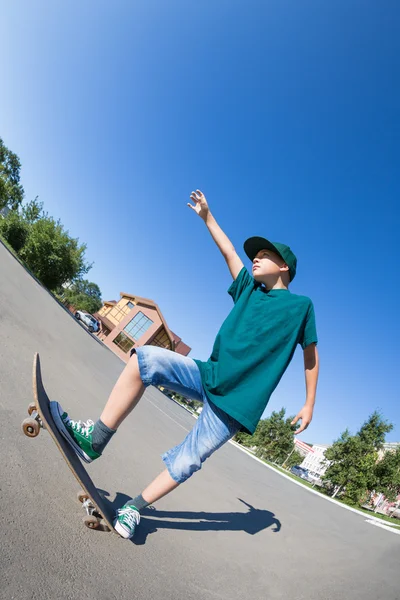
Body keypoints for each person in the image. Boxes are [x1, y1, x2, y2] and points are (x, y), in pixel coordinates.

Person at [50, 189, 319, 539]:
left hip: (237, 405)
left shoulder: (301, 307)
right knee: (145, 361)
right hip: (209, 374)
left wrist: (309, 403)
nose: (254, 259)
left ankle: (134, 508)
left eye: (264, 256)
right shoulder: (248, 290)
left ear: (283, 267)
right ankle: (94, 441)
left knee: (188, 460)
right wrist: (207, 216)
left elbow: (310, 355)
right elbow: (228, 252)